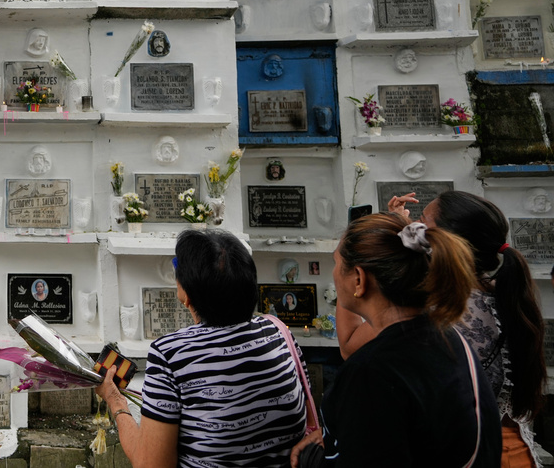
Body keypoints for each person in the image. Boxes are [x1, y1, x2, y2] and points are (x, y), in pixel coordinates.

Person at [294, 212, 501, 467]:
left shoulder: (371, 372)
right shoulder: (448, 337)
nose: (335, 273)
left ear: (358, 278)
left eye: (337, 263)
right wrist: (333, 436)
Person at [99, 229, 310, 468]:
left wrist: (115, 401)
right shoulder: (278, 332)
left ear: (186, 295)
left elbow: (150, 464)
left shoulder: (170, 354)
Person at [384, 191, 547, 467]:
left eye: (423, 222)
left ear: (447, 240)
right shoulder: (500, 292)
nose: (417, 229)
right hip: (511, 450)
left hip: (479, 455)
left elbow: (352, 346)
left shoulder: (446, 308)